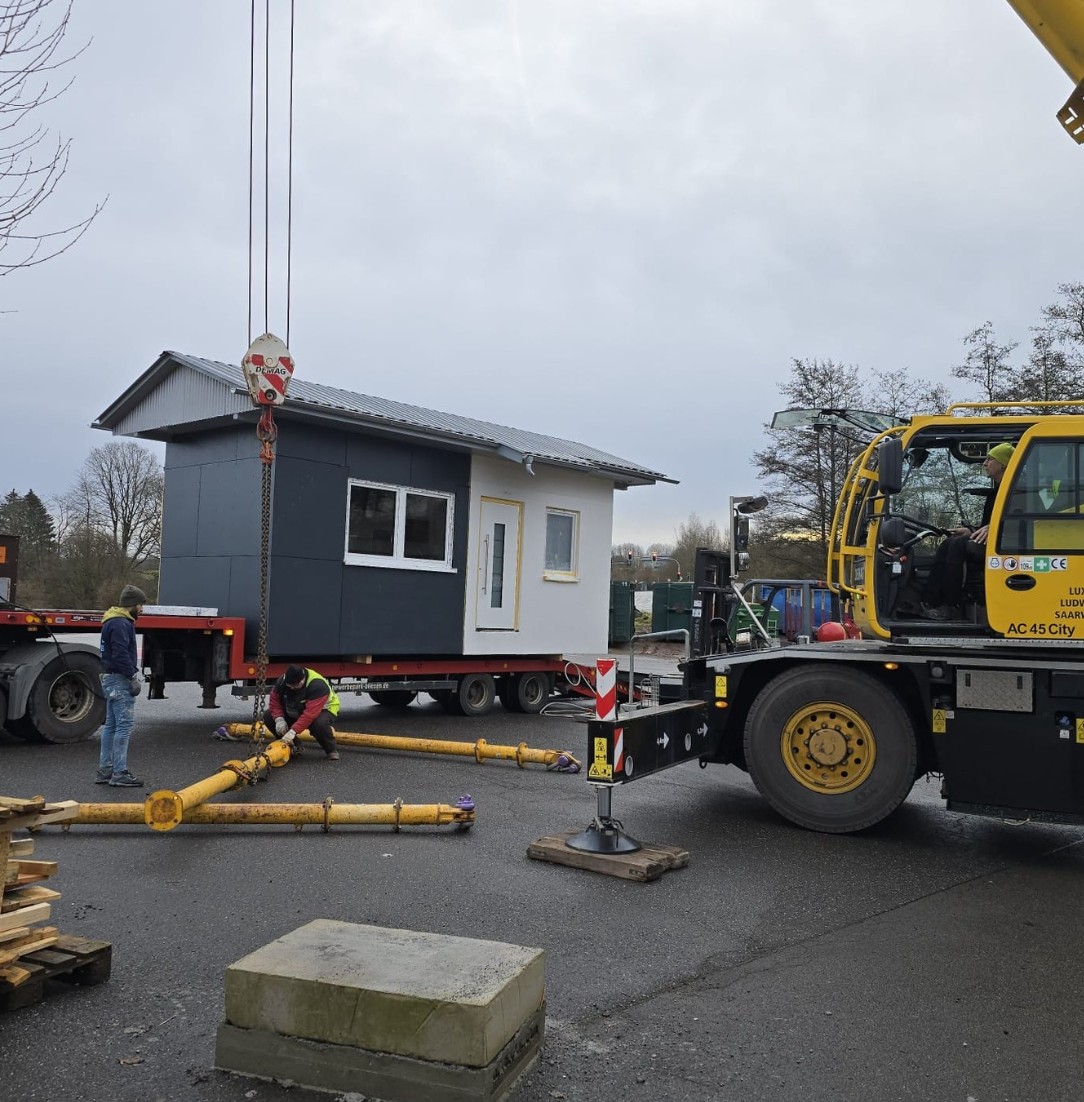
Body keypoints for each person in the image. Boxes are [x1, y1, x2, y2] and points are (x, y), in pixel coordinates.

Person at [922, 442, 1015, 620]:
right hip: (996, 538)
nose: (985, 463)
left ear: (1003, 464)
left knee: (957, 546)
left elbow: (1013, 523)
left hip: (1007, 543)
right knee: (948, 542)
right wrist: (971, 531)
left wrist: (992, 528)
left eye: (990, 459)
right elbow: (988, 525)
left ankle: (952, 605)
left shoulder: (1016, 491)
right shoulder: (997, 491)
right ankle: (930, 601)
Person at [96, 584, 147, 786]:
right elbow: (120, 653)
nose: (142, 609)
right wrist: (132, 676)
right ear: (132, 604)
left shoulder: (111, 621)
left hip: (110, 677)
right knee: (123, 727)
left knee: (111, 726)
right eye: (141, 604)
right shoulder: (121, 624)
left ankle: (105, 770)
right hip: (119, 679)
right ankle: (120, 773)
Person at [265, 664, 340, 760]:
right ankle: (293, 746)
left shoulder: (317, 685)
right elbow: (274, 701)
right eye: (290, 685)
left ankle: (331, 750)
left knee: (319, 725)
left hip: (324, 709)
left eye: (295, 686)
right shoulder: (283, 681)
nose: (292, 688)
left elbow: (310, 714)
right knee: (268, 716)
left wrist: (292, 732)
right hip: (300, 707)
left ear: (302, 680)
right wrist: (279, 719)